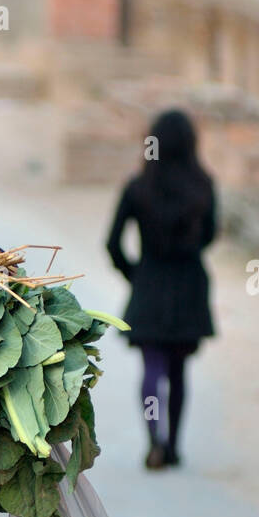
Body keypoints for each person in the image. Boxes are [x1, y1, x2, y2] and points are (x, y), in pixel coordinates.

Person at [106, 109, 217, 470]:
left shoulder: (138, 188)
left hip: (150, 284)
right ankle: (174, 447)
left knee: (152, 367)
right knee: (179, 370)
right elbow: (210, 235)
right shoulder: (203, 187)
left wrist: (134, 274)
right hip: (187, 286)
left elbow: (112, 243)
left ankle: (156, 439)